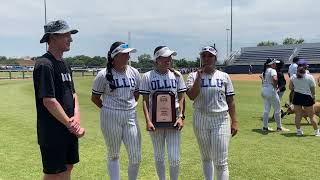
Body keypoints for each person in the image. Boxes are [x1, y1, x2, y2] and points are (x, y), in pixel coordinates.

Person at [33, 19, 85, 180]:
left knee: (68, 167)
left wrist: (76, 120)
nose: (70, 39)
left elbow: (73, 94)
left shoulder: (65, 64)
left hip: (68, 129)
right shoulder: (44, 64)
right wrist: (72, 126)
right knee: (54, 174)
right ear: (52, 37)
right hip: (52, 131)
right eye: (66, 35)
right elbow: (49, 101)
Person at [186, 45, 238, 180]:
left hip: (220, 119)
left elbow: (230, 100)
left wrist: (235, 122)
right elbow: (192, 96)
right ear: (201, 58)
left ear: (215, 58)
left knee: (221, 161)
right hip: (200, 117)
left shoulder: (224, 76)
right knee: (206, 157)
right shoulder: (192, 76)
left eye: (210, 56)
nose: (207, 58)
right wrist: (199, 77)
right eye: (204, 55)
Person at [91, 41, 141, 180]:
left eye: (128, 54)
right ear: (115, 56)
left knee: (136, 156)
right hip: (110, 116)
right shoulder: (102, 74)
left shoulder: (134, 72)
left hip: (130, 115)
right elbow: (95, 98)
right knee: (114, 154)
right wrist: (107, 109)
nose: (128, 57)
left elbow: (136, 94)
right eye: (125, 54)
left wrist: (128, 106)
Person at [139, 46, 186, 180]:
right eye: (165, 57)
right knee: (159, 156)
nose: (169, 59)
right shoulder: (148, 76)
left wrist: (181, 117)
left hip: (174, 121)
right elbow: (145, 101)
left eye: (170, 57)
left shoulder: (176, 75)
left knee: (174, 158)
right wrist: (148, 121)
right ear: (157, 59)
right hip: (155, 121)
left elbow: (182, 97)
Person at [289, 59, 320, 136]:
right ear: (305, 67)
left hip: (297, 96)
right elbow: (313, 88)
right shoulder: (309, 77)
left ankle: (298, 131)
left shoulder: (293, 76)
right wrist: (313, 96)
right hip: (307, 97)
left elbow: (290, 87)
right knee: (311, 115)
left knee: (298, 115)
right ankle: (317, 132)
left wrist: (297, 88)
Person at [260, 58, 289, 132]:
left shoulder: (265, 70)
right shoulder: (273, 70)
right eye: (275, 63)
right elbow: (275, 79)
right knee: (277, 109)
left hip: (264, 90)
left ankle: (265, 127)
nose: (276, 64)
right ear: (272, 64)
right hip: (270, 90)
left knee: (266, 110)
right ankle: (279, 127)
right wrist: (275, 86)